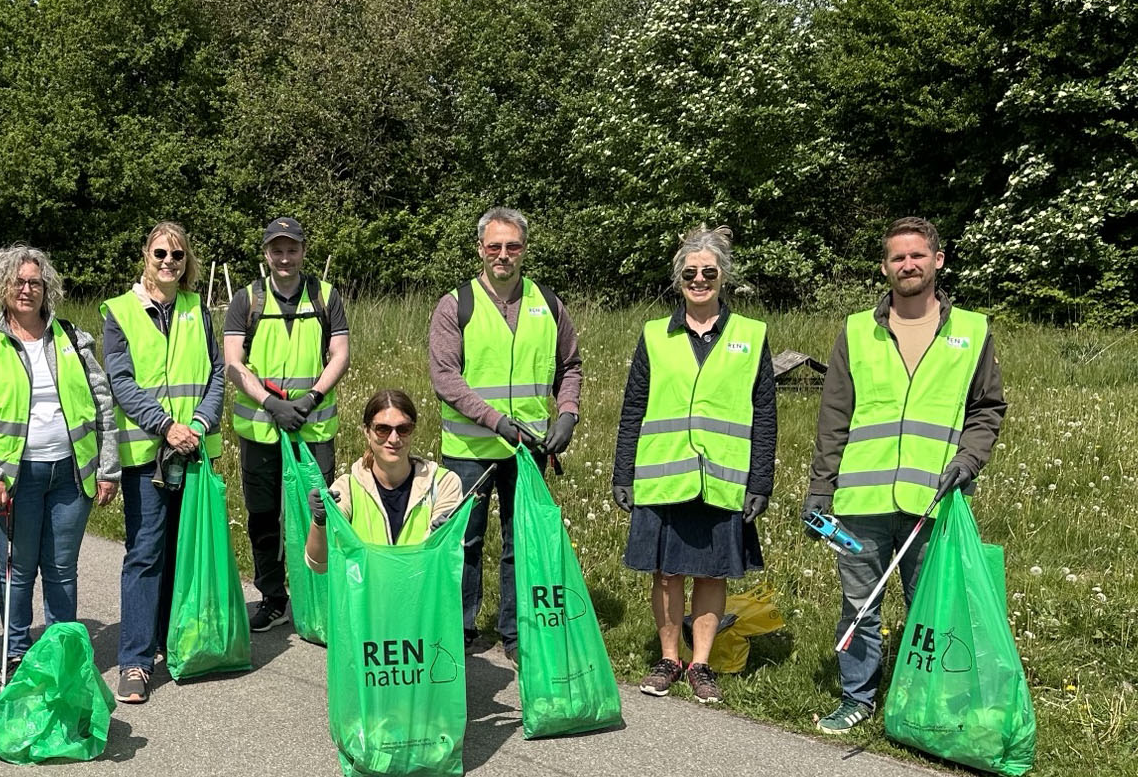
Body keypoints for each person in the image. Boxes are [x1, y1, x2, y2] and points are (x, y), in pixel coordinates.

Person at [805, 216, 1006, 734]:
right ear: (885, 267)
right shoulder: (857, 330)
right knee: (859, 606)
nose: (908, 264)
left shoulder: (972, 331)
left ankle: (929, 704)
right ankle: (857, 698)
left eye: (917, 255)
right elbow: (834, 417)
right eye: (898, 257)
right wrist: (820, 489)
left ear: (938, 260)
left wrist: (968, 461)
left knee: (933, 608)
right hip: (860, 501)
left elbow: (987, 410)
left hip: (934, 501)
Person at [611, 226, 776, 705]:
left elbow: (765, 412)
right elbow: (633, 407)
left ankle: (701, 663)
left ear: (724, 276)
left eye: (708, 272)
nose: (699, 280)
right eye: (690, 273)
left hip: (723, 478)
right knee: (665, 573)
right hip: (663, 475)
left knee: (711, 574)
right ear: (678, 279)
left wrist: (760, 480)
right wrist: (623, 472)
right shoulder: (654, 335)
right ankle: (669, 659)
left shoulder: (751, 336)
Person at [428, 206, 584, 663]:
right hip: (469, 449)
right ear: (480, 249)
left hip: (529, 449)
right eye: (494, 246)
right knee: (464, 543)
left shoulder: (548, 304)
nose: (503, 254)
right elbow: (445, 377)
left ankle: (516, 634)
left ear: (524, 250)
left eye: (512, 246)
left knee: (522, 544)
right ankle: (459, 631)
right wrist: (494, 420)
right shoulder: (456, 304)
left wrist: (568, 414)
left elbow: (570, 366)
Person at [0, 244, 118, 676]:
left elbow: (103, 405)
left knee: (62, 568)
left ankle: (62, 652)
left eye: (34, 282)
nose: (26, 290)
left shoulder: (72, 338)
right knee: (19, 568)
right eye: (17, 282)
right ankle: (16, 654)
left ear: (47, 289)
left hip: (71, 474)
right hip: (11, 478)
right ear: (1, 287)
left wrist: (109, 467)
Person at [100, 221, 225, 704]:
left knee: (182, 551)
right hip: (146, 455)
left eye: (177, 255)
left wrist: (199, 423)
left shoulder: (199, 310)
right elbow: (121, 381)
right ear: (145, 256)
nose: (168, 262)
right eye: (160, 254)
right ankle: (135, 660)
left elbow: (217, 374)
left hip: (194, 450)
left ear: (186, 260)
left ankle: (174, 641)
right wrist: (166, 425)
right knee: (146, 553)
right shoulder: (119, 311)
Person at [223, 216, 350, 632]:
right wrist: (270, 403)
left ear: (303, 251)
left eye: (292, 249)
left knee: (318, 515)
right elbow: (233, 362)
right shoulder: (247, 299)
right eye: (277, 250)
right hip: (262, 429)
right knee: (264, 518)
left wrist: (311, 398)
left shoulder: (326, 296)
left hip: (313, 429)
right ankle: (273, 598)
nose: (284, 258)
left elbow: (340, 354)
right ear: (266, 254)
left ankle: (319, 604)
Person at [305, 389, 465, 571]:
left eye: (403, 429)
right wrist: (319, 522)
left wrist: (442, 539)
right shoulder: (347, 488)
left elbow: (448, 564)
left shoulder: (443, 483)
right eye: (383, 429)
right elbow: (319, 564)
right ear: (367, 432)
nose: (394, 439)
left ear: (413, 431)